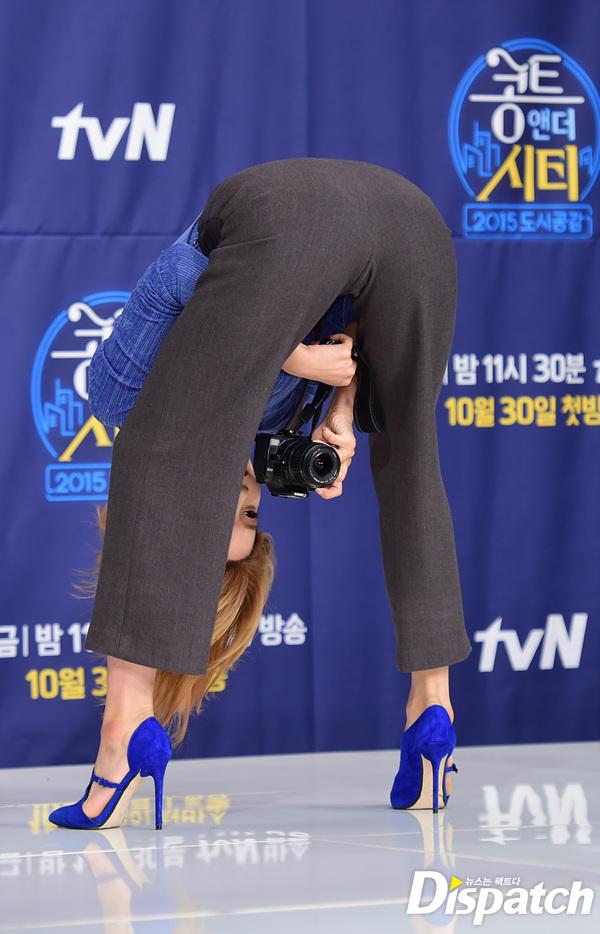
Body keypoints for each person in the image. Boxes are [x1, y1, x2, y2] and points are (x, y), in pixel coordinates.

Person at [49, 157, 471, 831]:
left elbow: (186, 277)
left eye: (211, 519)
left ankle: (123, 728)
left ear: (178, 534)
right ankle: (434, 706)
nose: (232, 495)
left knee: (153, 445)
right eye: (249, 514)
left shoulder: (114, 393)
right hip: (414, 224)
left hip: (287, 208)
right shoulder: (279, 421)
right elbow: (348, 322)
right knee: (411, 456)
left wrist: (293, 357)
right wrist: (342, 407)